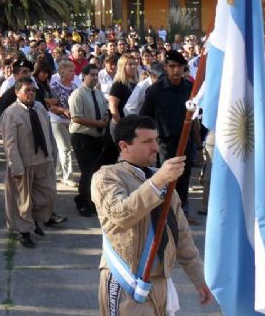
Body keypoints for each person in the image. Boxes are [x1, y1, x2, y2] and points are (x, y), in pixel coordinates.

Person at [91, 115, 213, 314]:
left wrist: (199, 278)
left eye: (156, 140)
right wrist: (158, 181)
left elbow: (181, 234)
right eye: (147, 141)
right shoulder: (107, 176)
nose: (155, 147)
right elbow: (121, 215)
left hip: (161, 281)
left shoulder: (162, 179)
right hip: (127, 281)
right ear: (124, 146)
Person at [1, 78, 63, 248]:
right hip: (24, 162)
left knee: (48, 194)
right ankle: (25, 232)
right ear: (17, 92)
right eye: (26, 90)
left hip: (43, 160)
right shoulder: (11, 113)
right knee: (23, 200)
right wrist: (16, 166)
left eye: (33, 91)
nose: (30, 94)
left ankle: (34, 220)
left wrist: (51, 155)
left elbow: (48, 132)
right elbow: (10, 143)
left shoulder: (40, 107)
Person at [140, 50, 198, 221]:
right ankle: (162, 217)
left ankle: (181, 216)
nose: (176, 71)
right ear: (166, 67)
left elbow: (194, 117)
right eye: (172, 66)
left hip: (184, 144)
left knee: (183, 181)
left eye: (179, 67)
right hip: (162, 145)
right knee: (163, 181)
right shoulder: (155, 91)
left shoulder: (189, 89)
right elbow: (145, 119)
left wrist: (198, 145)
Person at [68, 64, 109, 217]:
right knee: (87, 171)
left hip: (98, 137)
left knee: (97, 171)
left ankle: (92, 201)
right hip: (82, 137)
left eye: (96, 75)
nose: (94, 77)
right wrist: (98, 123)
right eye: (91, 74)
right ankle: (82, 202)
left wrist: (106, 119)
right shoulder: (77, 94)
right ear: (84, 76)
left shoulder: (98, 93)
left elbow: (105, 110)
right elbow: (76, 118)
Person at [49, 60, 79, 187]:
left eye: (73, 70)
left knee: (63, 149)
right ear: (62, 72)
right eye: (71, 71)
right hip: (57, 121)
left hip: (71, 122)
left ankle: (59, 174)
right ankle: (68, 177)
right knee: (65, 149)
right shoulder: (55, 87)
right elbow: (51, 107)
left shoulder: (75, 87)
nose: (73, 73)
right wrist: (63, 110)